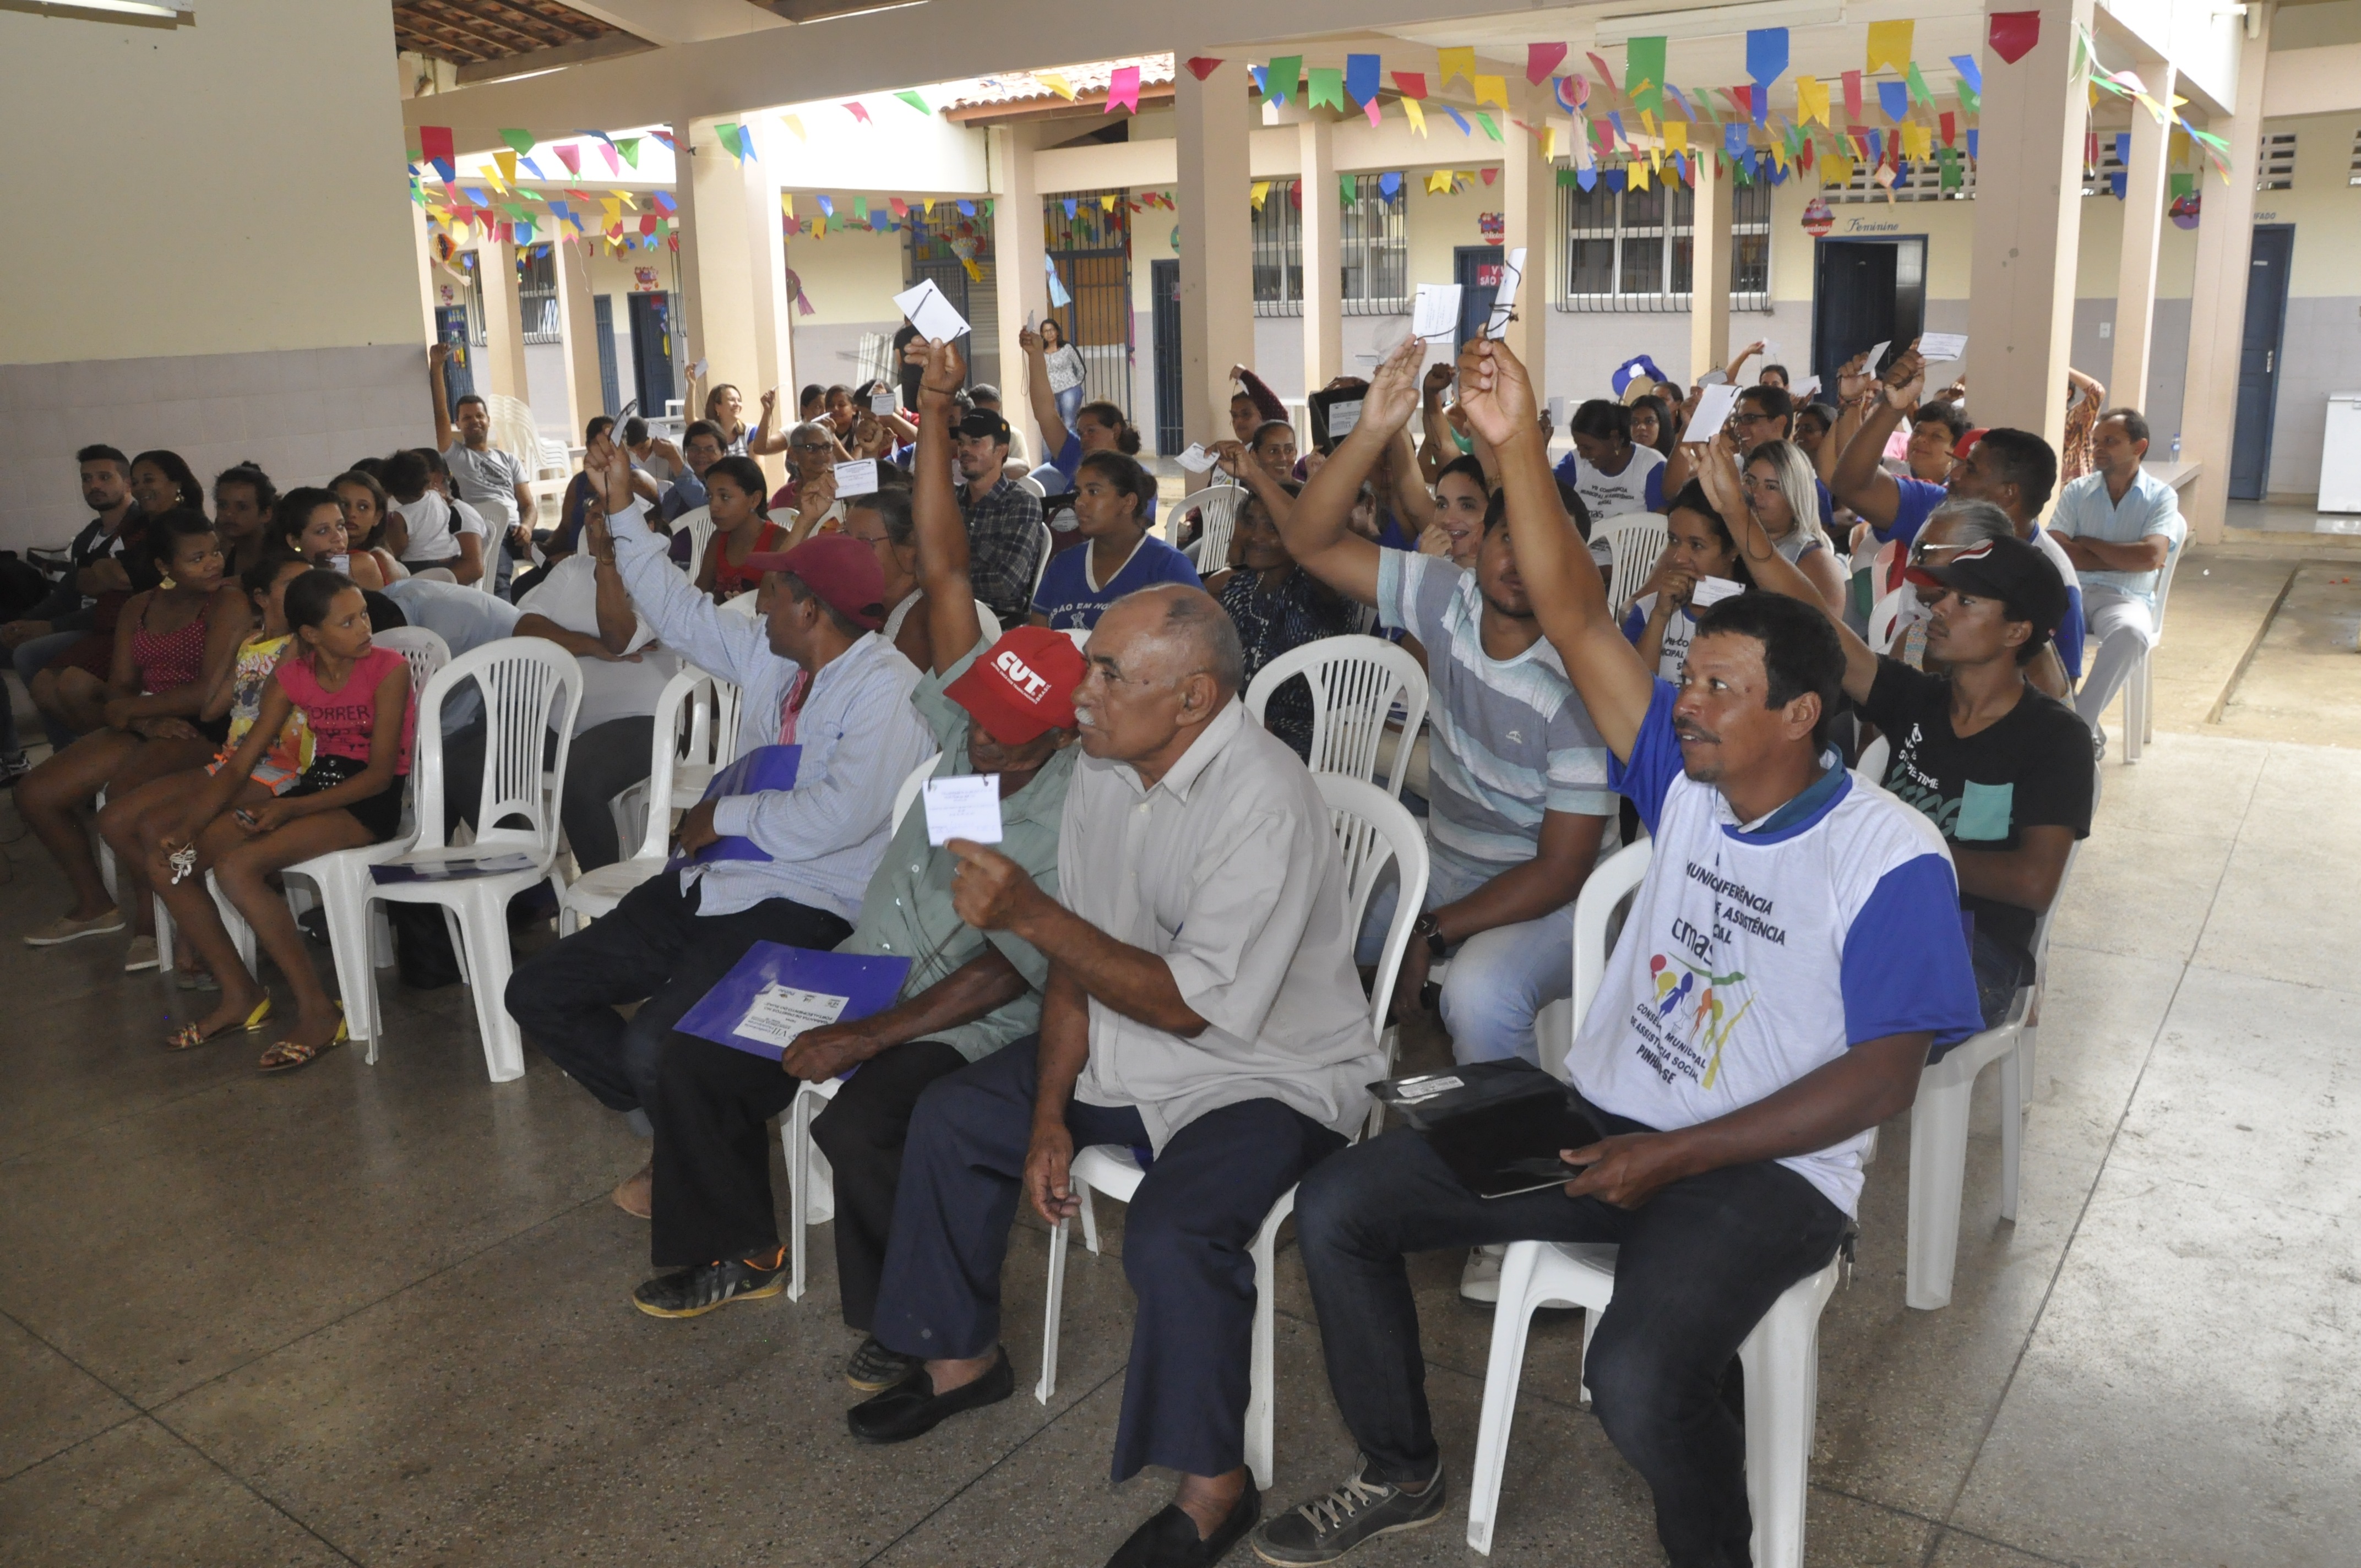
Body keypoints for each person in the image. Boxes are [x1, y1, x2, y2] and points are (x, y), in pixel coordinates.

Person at [1254, 332, 1983, 1568]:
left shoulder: (1887, 853)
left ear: (1800, 715)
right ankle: (1399, 1465)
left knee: (1634, 1374)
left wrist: (1674, 1153)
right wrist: (1510, 447)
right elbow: (1577, 613)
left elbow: (1881, 1079)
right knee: (1339, 1205)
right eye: (1689, 681)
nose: (1682, 701)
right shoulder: (1685, 780)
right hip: (1601, 1116)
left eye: (1716, 689)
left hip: (1766, 1169)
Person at [848, 580, 1380, 1568]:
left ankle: (1214, 1489)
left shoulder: (1263, 799)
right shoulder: (1104, 766)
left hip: (1264, 1073)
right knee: (956, 1115)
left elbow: (1187, 1006)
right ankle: (959, 1357)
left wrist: (1028, 914)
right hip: (1127, 1043)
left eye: (1107, 674)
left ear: (1193, 698)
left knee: (1177, 1231)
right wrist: (1050, 1111)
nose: (1080, 696)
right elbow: (1078, 957)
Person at [633, 336, 1084, 1341]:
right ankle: (739, 1251)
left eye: (1007, 738)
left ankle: (906, 1334)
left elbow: (1010, 974)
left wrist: (873, 1034)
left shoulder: (1078, 811)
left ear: (1063, 738)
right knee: (694, 1056)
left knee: (861, 1123)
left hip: (956, 1011)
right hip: (864, 965)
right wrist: (933, 409)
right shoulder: (971, 722)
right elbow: (944, 565)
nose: (977, 742)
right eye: (974, 718)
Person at [505, 430, 936, 1218]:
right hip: (717, 880)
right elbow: (676, 609)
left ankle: (710, 1187)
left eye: (773, 592)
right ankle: (681, 1131)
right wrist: (620, 507)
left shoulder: (887, 690)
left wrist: (722, 813)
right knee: (538, 990)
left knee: (656, 1044)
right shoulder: (776, 653)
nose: (756, 602)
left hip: (808, 901)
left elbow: (838, 817)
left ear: (810, 610)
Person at [1275, 335, 1615, 1095]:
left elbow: (1561, 869)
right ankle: (1315, 1105)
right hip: (1446, 858)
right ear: (1481, 542)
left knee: (1478, 995)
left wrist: (1433, 931)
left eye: (1546, 549)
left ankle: (1515, 1152)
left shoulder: (1580, 684)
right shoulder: (1444, 594)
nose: (1521, 563)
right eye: (1508, 538)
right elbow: (1308, 540)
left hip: (1555, 897)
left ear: (1576, 569)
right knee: (1302, 923)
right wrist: (1374, 431)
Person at [1733, 480, 2092, 1028]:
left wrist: (1900, 850)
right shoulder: (1917, 698)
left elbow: (2033, 883)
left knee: (1812, 1014)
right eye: (1944, 594)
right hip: (1871, 915)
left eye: (1964, 601)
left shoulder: (2053, 738)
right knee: (1742, 967)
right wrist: (1736, 517)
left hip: (1971, 946)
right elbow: (1813, 615)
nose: (1939, 607)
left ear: (2016, 631)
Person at [153, 570, 415, 1068]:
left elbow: (380, 776)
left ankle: (319, 1012)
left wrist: (288, 808)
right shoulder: (294, 676)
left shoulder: (388, 669)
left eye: (363, 615)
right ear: (311, 634)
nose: (365, 628)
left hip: (366, 802)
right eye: (348, 622)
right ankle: (241, 995)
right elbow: (241, 763)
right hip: (317, 790)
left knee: (236, 867)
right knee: (171, 864)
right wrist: (189, 827)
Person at [18, 510, 249, 954]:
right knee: (35, 794)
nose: (213, 564)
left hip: (208, 726)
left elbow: (207, 692)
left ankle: (152, 921)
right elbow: (120, 685)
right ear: (164, 566)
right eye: (196, 558)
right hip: (150, 720)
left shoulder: (227, 603)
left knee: (125, 794)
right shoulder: (138, 607)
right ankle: (96, 906)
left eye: (216, 552)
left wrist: (131, 710)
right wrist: (141, 718)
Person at [100, 552, 315, 990]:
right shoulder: (252, 641)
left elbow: (272, 706)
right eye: (293, 586)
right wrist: (237, 647)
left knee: (159, 828)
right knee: (114, 819)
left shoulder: (303, 642)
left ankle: (204, 941)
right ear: (261, 598)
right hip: (234, 759)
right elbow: (212, 708)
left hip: (280, 765)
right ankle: (196, 916)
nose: (307, 594)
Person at [1829, 345, 2087, 679]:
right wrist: (1892, 409)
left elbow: (2061, 685)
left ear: (2009, 493)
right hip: (1905, 682)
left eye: (1971, 469)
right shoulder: (1939, 509)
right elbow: (1851, 485)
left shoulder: (2053, 580)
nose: (1956, 475)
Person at [512, 498, 681, 872]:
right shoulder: (572, 568)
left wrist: (607, 561)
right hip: (563, 722)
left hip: (644, 720)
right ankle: (526, 889)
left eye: (607, 511)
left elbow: (620, 637)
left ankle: (606, 893)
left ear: (645, 525)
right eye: (592, 509)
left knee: (577, 783)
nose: (594, 518)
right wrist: (591, 645)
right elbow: (525, 628)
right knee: (474, 761)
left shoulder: (660, 576)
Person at [33, 450, 204, 733]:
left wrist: (114, 573)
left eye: (149, 480)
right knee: (43, 686)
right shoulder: (135, 527)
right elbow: (86, 579)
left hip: (159, 627)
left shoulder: (188, 526)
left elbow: (131, 577)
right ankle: (96, 746)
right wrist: (113, 573)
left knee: (73, 686)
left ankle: (128, 740)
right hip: (116, 623)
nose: (140, 489)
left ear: (176, 483)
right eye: (136, 482)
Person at [2, 445, 139, 777]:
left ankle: (71, 755)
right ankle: (16, 756)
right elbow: (68, 593)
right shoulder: (88, 536)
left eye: (104, 477)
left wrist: (51, 627)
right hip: (82, 624)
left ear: (127, 482)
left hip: (114, 628)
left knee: (30, 655)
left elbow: (122, 606)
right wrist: (25, 622)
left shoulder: (139, 530)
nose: (94, 486)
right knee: (11, 643)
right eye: (87, 479)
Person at [2050, 408, 2183, 748]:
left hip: (2124, 599)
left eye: (2110, 441)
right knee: (2026, 625)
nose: (2098, 448)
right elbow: (2058, 550)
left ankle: (2077, 727)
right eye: (2096, 441)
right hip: (2072, 592)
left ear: (2139, 446)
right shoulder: (2077, 490)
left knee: (2131, 634)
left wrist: (2088, 543)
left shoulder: (2161, 496)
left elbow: (2150, 557)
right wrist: (2126, 558)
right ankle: (2078, 729)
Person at [1203, 484, 1356, 761]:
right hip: (1238, 723)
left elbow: (1312, 543)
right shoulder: (1238, 588)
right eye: (1250, 523)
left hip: (1308, 732)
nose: (1256, 536)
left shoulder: (1322, 590)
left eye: (1272, 527)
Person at [1029, 453, 1197, 631]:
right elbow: (1037, 637)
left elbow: (1199, 635)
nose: (1080, 503)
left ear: (1128, 502)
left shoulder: (1168, 566)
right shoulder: (1064, 565)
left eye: (1093, 492)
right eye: (1078, 493)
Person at [847, 484, 1003, 673]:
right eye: (845, 539)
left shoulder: (927, 622)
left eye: (865, 544)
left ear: (911, 548)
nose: (848, 553)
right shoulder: (864, 605)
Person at [1623, 482, 1753, 684]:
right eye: (1673, 540)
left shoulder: (1756, 617)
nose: (1678, 558)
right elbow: (1631, 691)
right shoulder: (1647, 610)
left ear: (1734, 549)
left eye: (1696, 545)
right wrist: (1660, 617)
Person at [1706, 438, 1845, 613]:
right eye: (1750, 481)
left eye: (1771, 487)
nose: (1755, 493)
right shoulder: (1726, 537)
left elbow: (1828, 627)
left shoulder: (1815, 560)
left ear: (1795, 497)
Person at [426, 344, 537, 560]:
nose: (475, 421)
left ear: (488, 420)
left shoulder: (509, 460)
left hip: (516, 532)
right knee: (499, 573)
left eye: (479, 416)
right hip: (486, 533)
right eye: (467, 418)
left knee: (562, 550)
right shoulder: (456, 455)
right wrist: (437, 367)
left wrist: (527, 527)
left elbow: (528, 505)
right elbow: (440, 413)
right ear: (458, 424)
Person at [949, 407, 1047, 629]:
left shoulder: (1022, 504)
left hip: (997, 621)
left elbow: (1008, 584)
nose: (965, 449)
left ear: (1001, 451)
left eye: (975, 442)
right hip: (947, 611)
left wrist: (945, 578)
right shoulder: (951, 500)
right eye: (961, 443)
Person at [693, 456, 790, 605]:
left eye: (725, 497)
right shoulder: (718, 539)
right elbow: (699, 593)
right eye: (710, 496)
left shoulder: (779, 540)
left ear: (755, 499)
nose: (713, 506)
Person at [383, 447, 484, 586]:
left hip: (418, 568)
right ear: (427, 482)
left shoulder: (401, 516)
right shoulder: (438, 497)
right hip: (447, 563)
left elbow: (396, 549)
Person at [1553, 399, 1667, 521]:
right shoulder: (1574, 462)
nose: (1582, 454)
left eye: (1588, 448)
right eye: (1578, 446)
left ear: (1614, 439)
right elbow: (1546, 498)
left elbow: (1659, 523)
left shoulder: (1651, 465)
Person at [330, 470, 407, 586]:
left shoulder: (378, 557)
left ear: (377, 517)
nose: (351, 514)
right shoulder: (328, 553)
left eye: (363, 507)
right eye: (344, 505)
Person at [211, 463, 276, 579]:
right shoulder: (219, 556)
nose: (229, 514)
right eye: (222, 505)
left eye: (242, 507)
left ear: (266, 514)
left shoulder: (283, 560)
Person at [660, 420, 727, 527]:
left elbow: (706, 509)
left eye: (710, 449)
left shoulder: (729, 485)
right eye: (695, 449)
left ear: (723, 453)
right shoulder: (676, 491)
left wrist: (674, 459)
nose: (702, 454)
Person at [2059, 366, 2108, 484]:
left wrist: (2063, 366)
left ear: (2068, 394)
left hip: (2075, 490)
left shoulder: (2074, 419)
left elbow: (2097, 393)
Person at [1039, 315, 1089, 426]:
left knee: (1069, 423)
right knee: (1053, 426)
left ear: (1057, 332)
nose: (1049, 333)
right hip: (1051, 395)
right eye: (1046, 331)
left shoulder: (1067, 348)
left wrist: (1075, 385)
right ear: (1042, 334)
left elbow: (1081, 369)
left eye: (1052, 330)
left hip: (1069, 390)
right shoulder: (1041, 353)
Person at [1230, 364, 1289, 443]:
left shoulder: (1271, 447)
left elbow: (1279, 417)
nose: (1238, 421)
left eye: (1246, 414)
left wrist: (1246, 377)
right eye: (1234, 416)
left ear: (1263, 416)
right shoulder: (1231, 450)